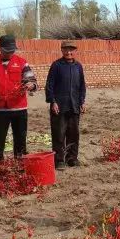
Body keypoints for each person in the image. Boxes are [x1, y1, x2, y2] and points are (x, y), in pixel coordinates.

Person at [0, 35, 37, 165]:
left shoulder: (22, 63)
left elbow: (32, 80)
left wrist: (31, 85)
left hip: (19, 108)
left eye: (12, 51)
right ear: (0, 49)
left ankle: (20, 167)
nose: (10, 53)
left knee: (20, 140)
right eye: (7, 51)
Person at [45, 40, 87, 170]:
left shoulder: (78, 66)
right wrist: (53, 101)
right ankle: (59, 160)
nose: (69, 52)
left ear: (75, 51)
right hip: (59, 106)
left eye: (71, 50)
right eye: (66, 50)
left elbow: (82, 86)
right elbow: (49, 85)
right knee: (59, 133)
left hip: (74, 105)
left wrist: (82, 101)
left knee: (74, 133)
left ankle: (71, 158)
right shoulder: (56, 65)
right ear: (62, 50)